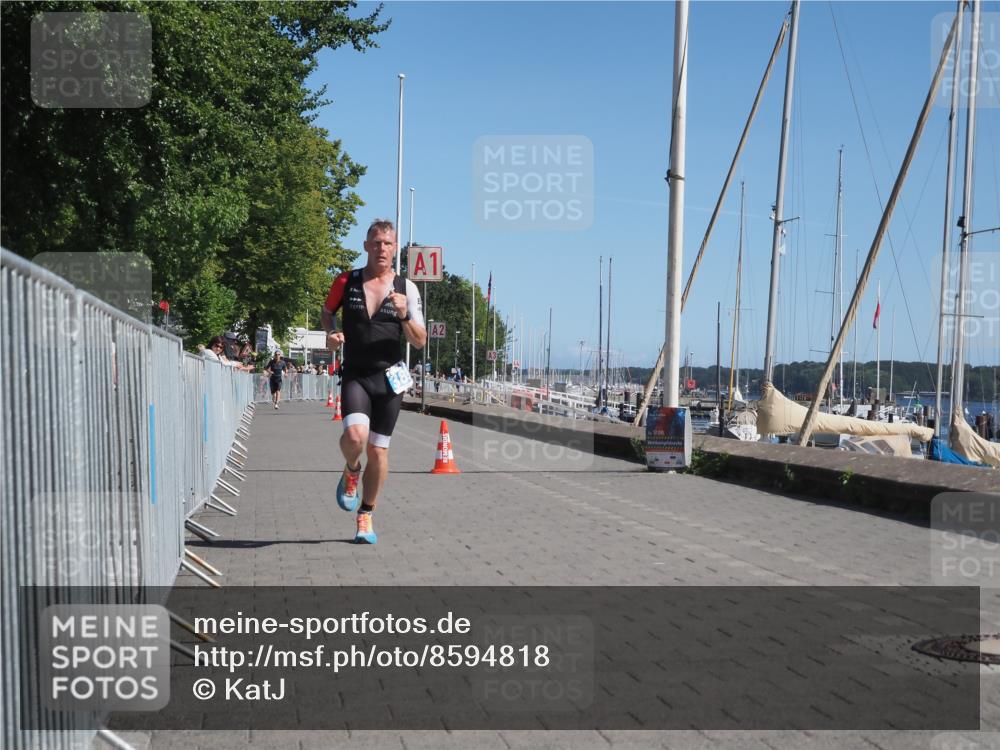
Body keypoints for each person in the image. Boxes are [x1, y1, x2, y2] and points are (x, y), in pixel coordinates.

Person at [321, 219, 426, 544]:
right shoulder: (346, 280)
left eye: (388, 244)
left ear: (396, 249)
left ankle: (365, 514)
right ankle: (352, 469)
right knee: (355, 437)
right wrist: (331, 333)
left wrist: (405, 315)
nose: (382, 248)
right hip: (356, 373)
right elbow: (327, 312)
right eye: (376, 242)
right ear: (366, 246)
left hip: (391, 379)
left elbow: (420, 341)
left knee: (378, 452)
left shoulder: (406, 288)